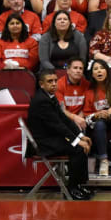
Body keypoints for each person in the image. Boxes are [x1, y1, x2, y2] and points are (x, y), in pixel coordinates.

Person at [27, 68, 92, 200]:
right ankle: (72, 188)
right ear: (41, 84)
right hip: (43, 143)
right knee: (78, 149)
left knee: (83, 144)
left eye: (55, 81)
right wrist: (76, 141)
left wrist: (80, 136)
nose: (54, 84)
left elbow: (63, 119)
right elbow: (58, 126)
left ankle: (79, 185)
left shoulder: (50, 96)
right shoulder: (41, 101)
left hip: (51, 137)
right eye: (49, 81)